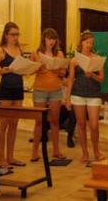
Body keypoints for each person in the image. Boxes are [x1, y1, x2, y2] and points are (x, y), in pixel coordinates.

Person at [66, 31, 104, 164]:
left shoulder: (97, 58)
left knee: (94, 125)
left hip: (93, 93)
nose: (89, 45)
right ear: (82, 42)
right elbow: (70, 79)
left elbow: (101, 78)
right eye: (87, 42)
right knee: (81, 124)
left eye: (91, 43)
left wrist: (92, 75)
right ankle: (85, 153)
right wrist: (67, 98)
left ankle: (97, 151)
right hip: (78, 93)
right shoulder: (74, 60)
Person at [0, 22, 25, 168]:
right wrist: (2, 71)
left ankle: (11, 156)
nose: (15, 37)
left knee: (14, 124)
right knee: (3, 124)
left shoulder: (20, 49)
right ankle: (1, 158)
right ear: (6, 35)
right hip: (5, 89)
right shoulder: (0, 50)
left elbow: (22, 69)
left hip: (18, 88)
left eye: (17, 35)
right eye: (13, 35)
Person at [30, 28, 67, 162]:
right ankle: (34, 151)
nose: (51, 41)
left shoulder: (59, 54)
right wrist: (37, 67)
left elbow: (63, 73)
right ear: (44, 39)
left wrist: (57, 70)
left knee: (54, 120)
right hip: (40, 89)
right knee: (39, 121)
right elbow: (30, 71)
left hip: (55, 90)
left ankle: (56, 150)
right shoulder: (36, 53)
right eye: (49, 38)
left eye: (54, 39)